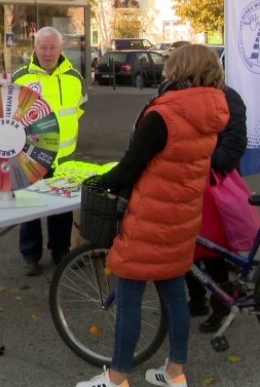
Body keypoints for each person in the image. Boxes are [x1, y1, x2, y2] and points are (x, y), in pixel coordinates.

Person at [75, 44, 229, 387]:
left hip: (150, 217)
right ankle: (176, 373)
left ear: (181, 69)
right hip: (182, 217)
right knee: (175, 295)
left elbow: (131, 165)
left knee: (129, 298)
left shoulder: (165, 113)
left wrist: (97, 183)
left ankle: (116, 378)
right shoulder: (213, 109)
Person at [11, 26, 87, 276]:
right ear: (34, 48)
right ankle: (30, 255)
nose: (47, 52)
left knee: (61, 208)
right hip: (30, 155)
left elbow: (77, 112)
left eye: (52, 47)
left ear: (61, 48)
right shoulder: (20, 76)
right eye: (42, 47)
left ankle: (60, 250)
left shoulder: (75, 77)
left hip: (63, 157)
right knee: (30, 206)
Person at [184, 84, 247, 333]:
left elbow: (234, 142)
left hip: (215, 181)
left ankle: (221, 303)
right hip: (187, 180)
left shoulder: (228, 96)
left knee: (212, 248)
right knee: (188, 244)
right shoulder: (175, 90)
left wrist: (206, 162)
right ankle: (197, 298)